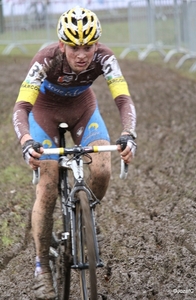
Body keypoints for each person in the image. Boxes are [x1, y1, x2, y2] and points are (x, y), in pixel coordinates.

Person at [13, 6, 137, 300]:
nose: (82, 54)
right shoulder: (45, 59)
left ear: (97, 44)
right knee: (48, 185)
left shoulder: (105, 57)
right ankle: (42, 267)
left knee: (103, 169)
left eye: (88, 46)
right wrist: (27, 141)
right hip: (44, 114)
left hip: (84, 108)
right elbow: (21, 107)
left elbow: (123, 98)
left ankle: (85, 218)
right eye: (73, 46)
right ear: (62, 45)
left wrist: (129, 134)